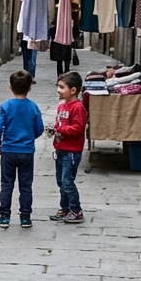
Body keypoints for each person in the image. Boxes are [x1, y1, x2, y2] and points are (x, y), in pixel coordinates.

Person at [0, 70, 45, 229]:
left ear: (10, 86)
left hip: (8, 151)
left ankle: (4, 217)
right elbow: (40, 128)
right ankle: (25, 217)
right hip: (27, 151)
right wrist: (29, 138)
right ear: (30, 88)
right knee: (26, 185)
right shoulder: (33, 106)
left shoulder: (5, 106)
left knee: (7, 184)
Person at [48, 71, 88, 224]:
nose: (59, 90)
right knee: (61, 181)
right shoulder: (62, 106)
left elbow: (78, 128)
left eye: (62, 87)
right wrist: (54, 129)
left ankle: (76, 210)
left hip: (71, 151)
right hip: (61, 149)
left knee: (67, 181)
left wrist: (59, 130)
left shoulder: (77, 107)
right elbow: (61, 124)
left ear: (73, 90)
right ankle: (64, 208)